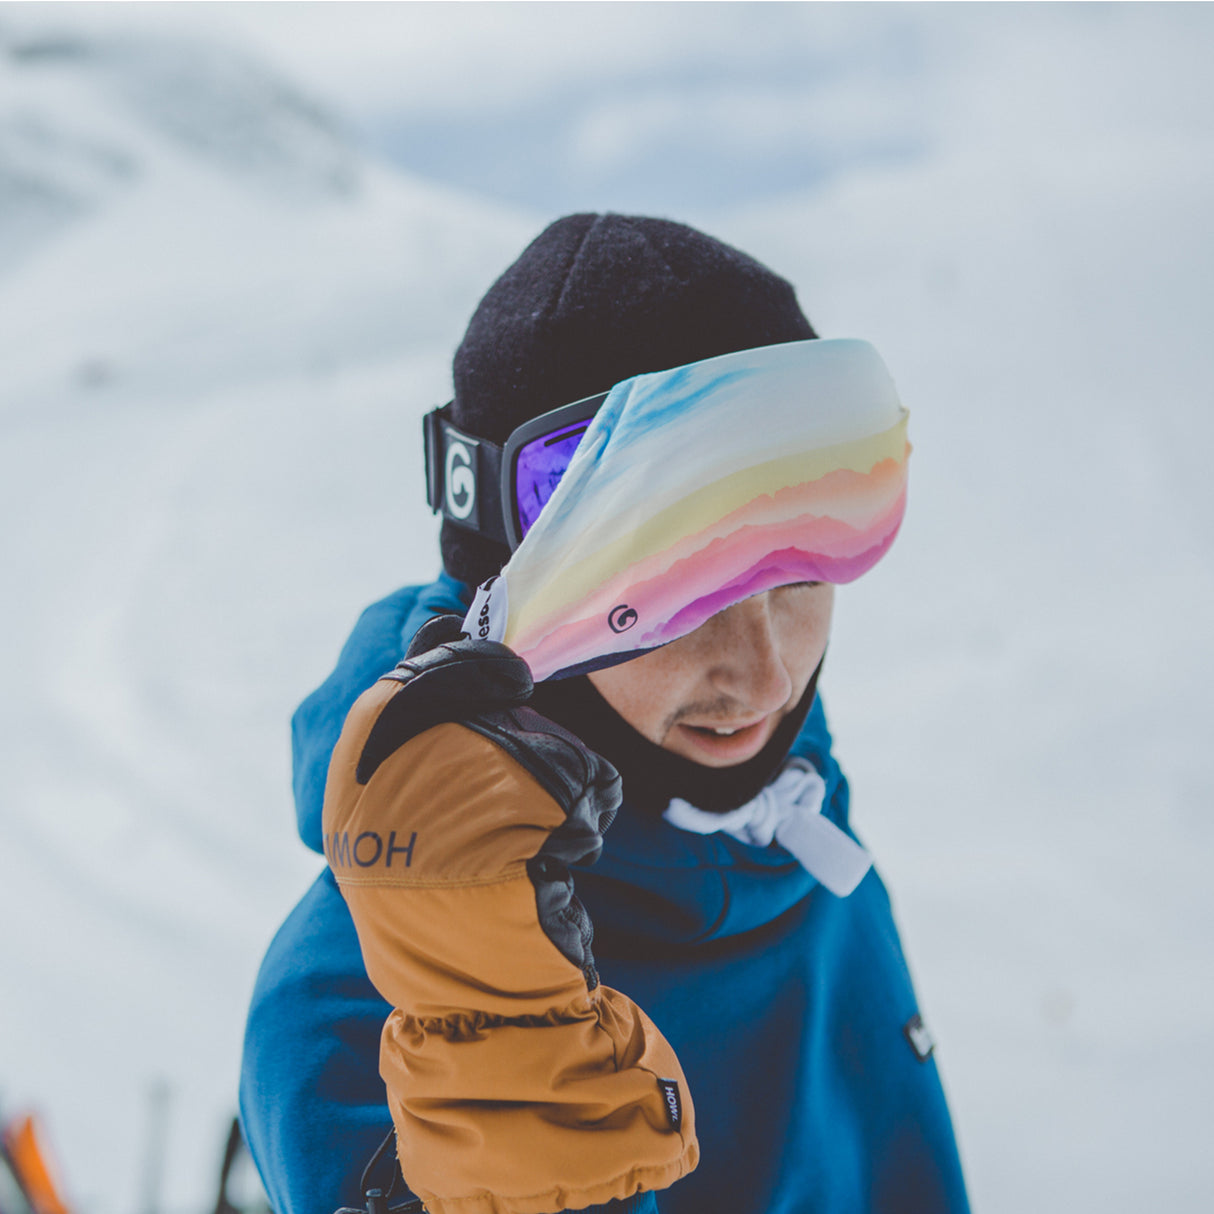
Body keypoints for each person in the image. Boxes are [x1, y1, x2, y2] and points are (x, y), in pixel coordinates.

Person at [239, 214, 970, 1214]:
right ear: (511, 607)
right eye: (677, 593)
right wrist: (507, 1093)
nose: (760, 676)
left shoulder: (795, 839)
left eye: (798, 573)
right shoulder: (373, 1009)